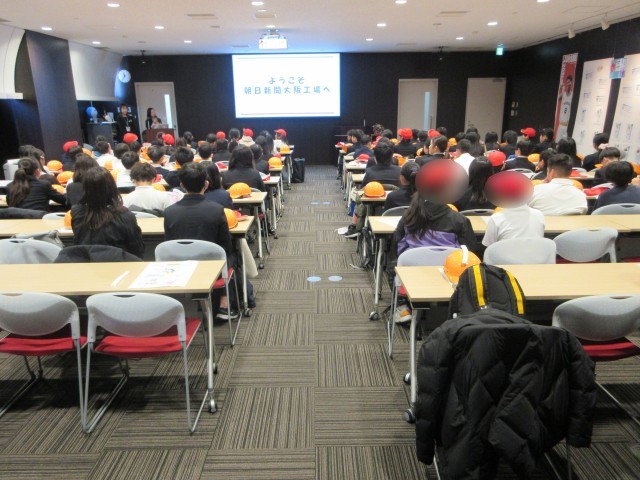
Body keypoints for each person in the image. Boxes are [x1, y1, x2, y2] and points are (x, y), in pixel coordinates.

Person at [164, 162, 238, 321]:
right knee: (232, 255)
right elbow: (226, 245)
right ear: (206, 184)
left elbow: (168, 245)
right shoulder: (216, 210)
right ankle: (225, 302)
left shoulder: (169, 212)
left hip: (179, 267)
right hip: (212, 266)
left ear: (182, 185)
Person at [391, 193, 478, 323]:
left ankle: (402, 307)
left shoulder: (408, 217)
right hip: (451, 276)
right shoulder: (459, 219)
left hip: (413, 276)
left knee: (395, 267)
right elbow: (469, 251)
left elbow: (398, 244)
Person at [71, 167, 144, 258]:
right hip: (118, 263)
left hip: (85, 262)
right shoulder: (125, 216)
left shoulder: (77, 212)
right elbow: (137, 249)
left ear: (85, 189)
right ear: (112, 187)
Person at [343, 143, 402, 238]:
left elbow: (363, 190)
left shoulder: (370, 172)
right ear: (392, 157)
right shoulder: (399, 171)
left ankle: (354, 226)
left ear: (375, 158)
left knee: (358, 197)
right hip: (395, 206)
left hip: (373, 207)